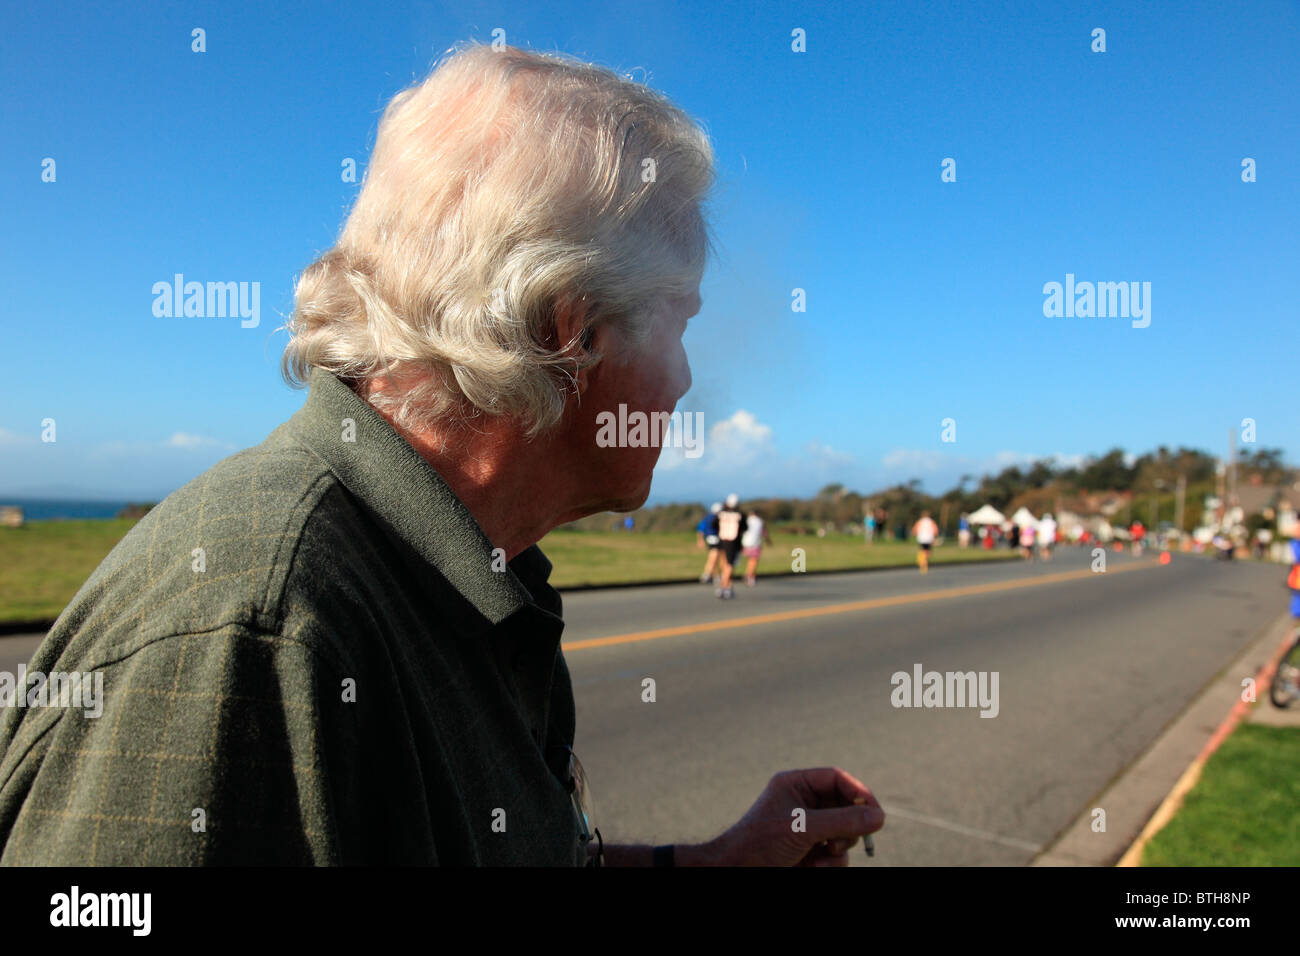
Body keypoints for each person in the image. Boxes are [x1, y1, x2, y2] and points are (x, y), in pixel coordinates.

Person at [0, 43, 884, 867]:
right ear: (566, 329)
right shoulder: (259, 636)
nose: (689, 382)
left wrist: (714, 862)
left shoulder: (458, 568)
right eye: (681, 321)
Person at [715, 493, 748, 599]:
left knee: (724, 563)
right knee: (730, 565)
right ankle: (724, 586)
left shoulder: (721, 513)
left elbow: (714, 524)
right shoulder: (740, 515)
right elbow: (745, 528)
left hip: (722, 541)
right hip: (733, 542)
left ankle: (728, 586)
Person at [741, 508, 773, 586]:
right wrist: (768, 541)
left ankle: (749, 575)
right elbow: (764, 533)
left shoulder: (746, 520)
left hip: (745, 543)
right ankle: (749, 576)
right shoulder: (760, 521)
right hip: (755, 543)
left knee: (751, 560)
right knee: (753, 560)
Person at [697, 502, 723, 583]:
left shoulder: (707, 517)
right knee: (714, 557)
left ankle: (716, 576)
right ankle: (707, 574)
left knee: (715, 558)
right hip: (715, 539)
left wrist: (700, 540)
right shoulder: (716, 518)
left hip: (709, 539)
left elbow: (701, 529)